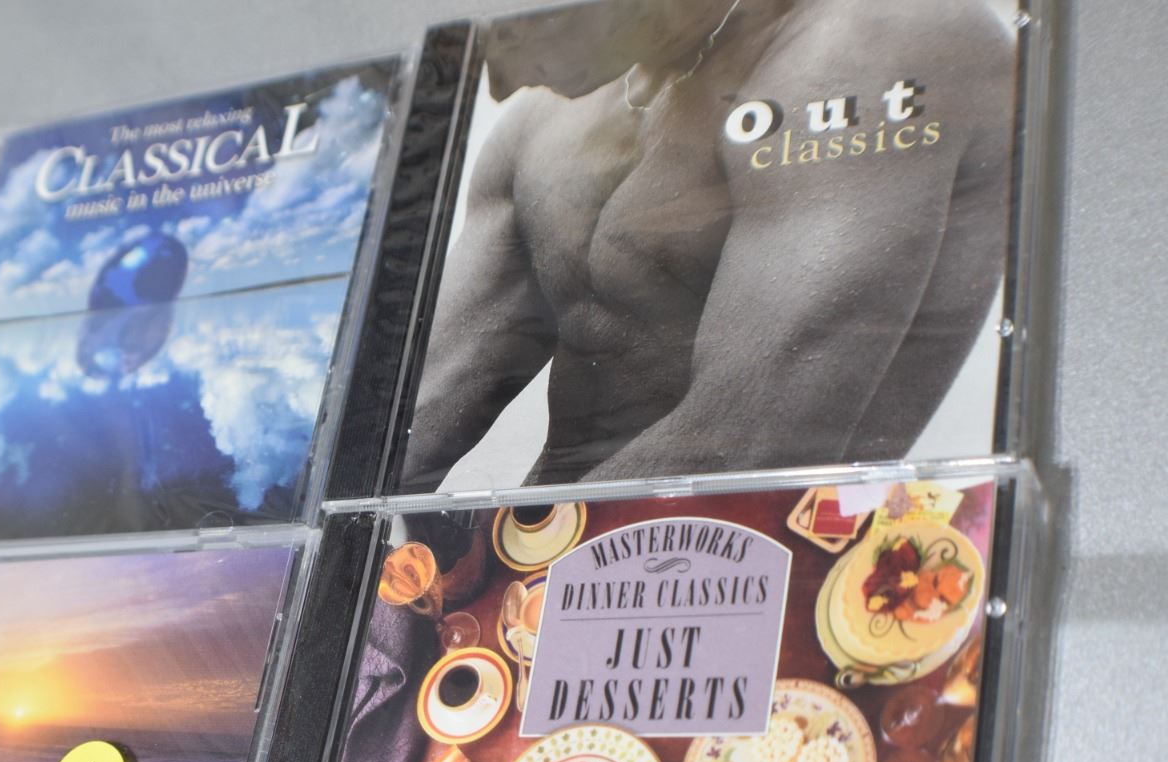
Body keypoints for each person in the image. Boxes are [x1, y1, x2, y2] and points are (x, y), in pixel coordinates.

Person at [401, 0, 1015, 490]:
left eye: (517, 29)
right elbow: (420, 409)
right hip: (540, 573)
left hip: (764, 577)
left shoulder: (882, 39)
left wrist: (524, 581)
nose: (500, 87)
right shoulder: (544, 119)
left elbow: (749, 441)